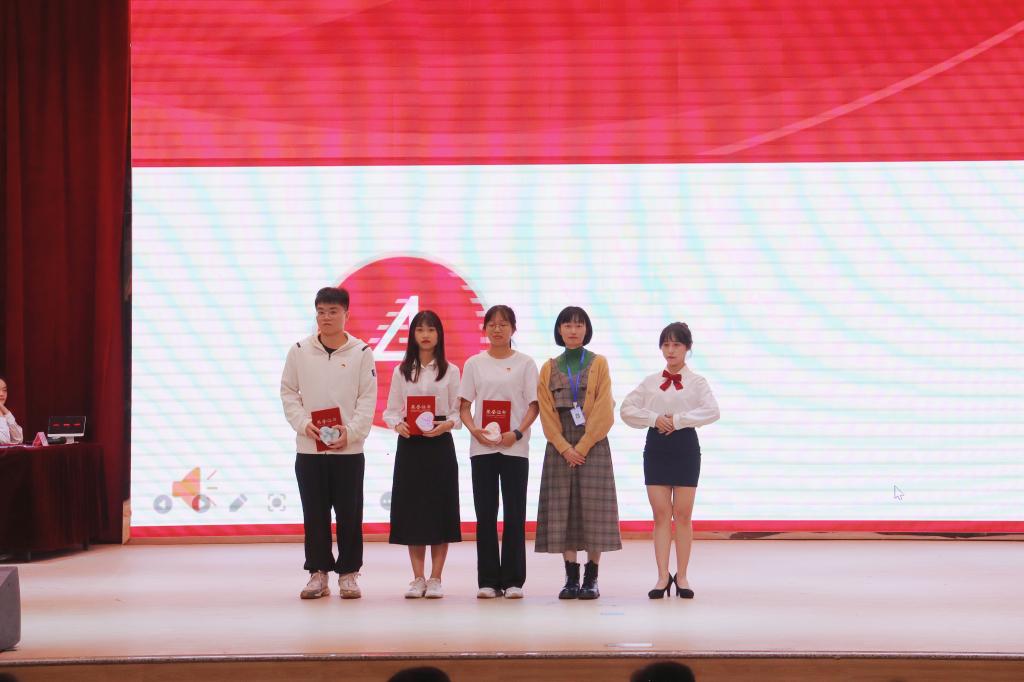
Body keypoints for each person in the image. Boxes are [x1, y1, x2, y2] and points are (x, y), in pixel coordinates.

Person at [281, 286, 377, 600]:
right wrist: (304, 425)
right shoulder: (299, 350)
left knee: (349, 514)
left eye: (333, 311)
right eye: (321, 312)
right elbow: (288, 392)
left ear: (346, 314)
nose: (326, 317)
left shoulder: (361, 352)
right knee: (315, 514)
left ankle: (348, 574)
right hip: (310, 449)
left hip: (348, 450)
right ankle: (318, 574)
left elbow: (367, 399)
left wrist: (351, 432)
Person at [620, 322, 719, 599]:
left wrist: (677, 420)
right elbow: (626, 410)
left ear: (688, 348)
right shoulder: (651, 381)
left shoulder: (697, 382)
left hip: (685, 446)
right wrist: (654, 418)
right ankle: (662, 576)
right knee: (661, 515)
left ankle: (682, 576)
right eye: (666, 344)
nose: (671, 350)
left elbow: (712, 411)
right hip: (657, 447)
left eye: (676, 344)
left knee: (683, 515)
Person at [535, 306, 621, 600]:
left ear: (587, 329)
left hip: (592, 444)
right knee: (564, 509)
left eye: (579, 325)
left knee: (594, 509)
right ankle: (571, 577)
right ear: (559, 330)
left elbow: (604, 409)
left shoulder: (599, 363)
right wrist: (564, 447)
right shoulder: (548, 367)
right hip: (560, 447)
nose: (573, 330)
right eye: (567, 325)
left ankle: (592, 577)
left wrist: (582, 447)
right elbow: (546, 412)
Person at [458, 305, 539, 599]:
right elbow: (464, 406)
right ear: (485, 329)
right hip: (483, 448)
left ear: (513, 329)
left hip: (515, 448)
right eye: (491, 324)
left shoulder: (525, 363)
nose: (497, 329)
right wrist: (474, 430)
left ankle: (514, 580)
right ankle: (488, 580)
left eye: (503, 324)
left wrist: (516, 433)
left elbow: (534, 406)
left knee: (515, 514)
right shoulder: (474, 363)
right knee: (486, 514)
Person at [382, 310, 462, 599]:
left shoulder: (451, 371)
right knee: (413, 511)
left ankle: (436, 578)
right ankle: (417, 578)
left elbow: (457, 412)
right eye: (420, 330)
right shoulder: (401, 371)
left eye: (431, 329)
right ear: (412, 335)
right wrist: (398, 425)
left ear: (439, 335)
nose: (425, 335)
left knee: (440, 509)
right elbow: (391, 410)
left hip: (439, 444)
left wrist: (446, 425)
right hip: (411, 445)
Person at [0, 376, 24, 445]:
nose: (1, 394)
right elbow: (4, 441)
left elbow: (18, 439)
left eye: (4, 390)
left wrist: (5, 411)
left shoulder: (4, 413)